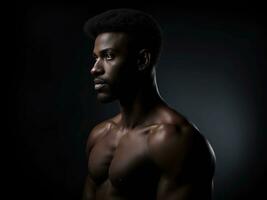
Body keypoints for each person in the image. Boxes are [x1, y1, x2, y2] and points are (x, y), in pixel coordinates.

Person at [82, 8, 216, 200]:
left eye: (108, 56)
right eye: (96, 58)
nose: (94, 69)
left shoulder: (175, 141)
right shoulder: (100, 134)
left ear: (142, 60)